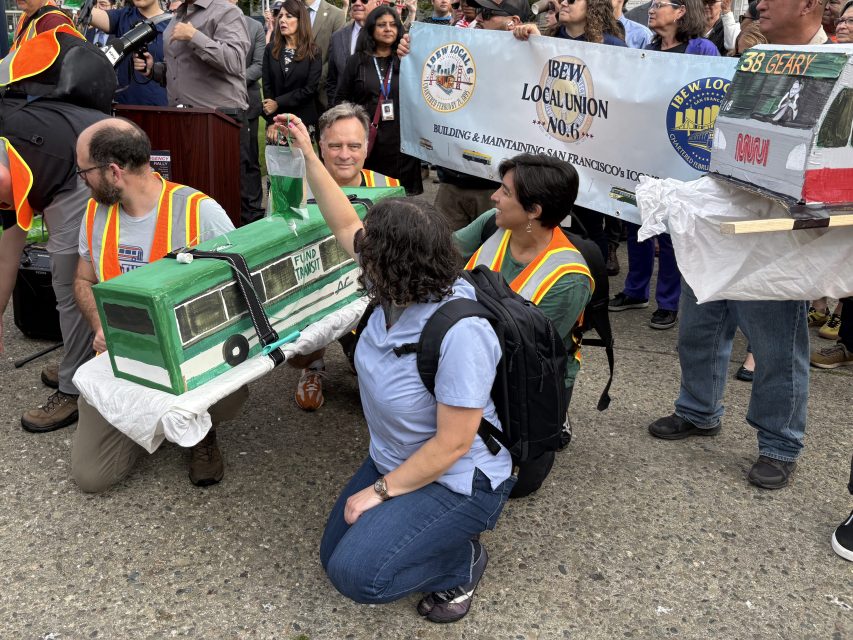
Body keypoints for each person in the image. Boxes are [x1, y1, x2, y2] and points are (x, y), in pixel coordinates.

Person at [278, 111, 515, 624]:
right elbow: (342, 219)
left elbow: (453, 443)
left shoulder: (460, 331)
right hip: (395, 456)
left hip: (458, 477)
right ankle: (420, 528)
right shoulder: (400, 280)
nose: (360, 257)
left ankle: (461, 560)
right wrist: (307, 152)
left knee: (359, 576)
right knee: (332, 557)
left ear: (390, 266)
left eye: (370, 256)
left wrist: (381, 491)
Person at [647, 0, 829, 490]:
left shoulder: (841, 72)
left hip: (776, 232)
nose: (758, 4)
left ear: (811, 5)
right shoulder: (753, 61)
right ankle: (698, 409)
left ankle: (779, 442)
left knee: (775, 343)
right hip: (721, 211)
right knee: (700, 325)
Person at [70, 118, 245, 491]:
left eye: (84, 171)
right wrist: (100, 325)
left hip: (192, 359)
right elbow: (83, 281)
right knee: (92, 476)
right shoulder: (93, 213)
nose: (81, 180)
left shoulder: (202, 212)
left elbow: (243, 291)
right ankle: (152, 420)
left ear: (114, 172)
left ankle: (198, 428)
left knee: (229, 396)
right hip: (125, 361)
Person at [452, 154, 593, 497]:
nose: (493, 197)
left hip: (529, 374)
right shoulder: (494, 223)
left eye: (505, 191)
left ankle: (557, 417)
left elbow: (519, 357)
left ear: (534, 211)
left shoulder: (569, 279)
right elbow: (439, 252)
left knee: (518, 484)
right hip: (483, 349)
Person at [608, 0, 718, 330]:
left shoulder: (703, 49)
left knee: (671, 227)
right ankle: (635, 290)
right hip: (643, 148)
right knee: (637, 219)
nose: (652, 10)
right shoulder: (649, 46)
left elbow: (709, 94)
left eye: (659, 5)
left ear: (681, 11)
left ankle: (668, 301)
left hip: (680, 150)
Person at [0, 99, 107, 433]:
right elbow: (10, 245)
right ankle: (82, 359)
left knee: (69, 282)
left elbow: (11, 229)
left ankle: (73, 386)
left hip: (77, 162)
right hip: (70, 139)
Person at [290, 102, 400, 412]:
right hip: (316, 287)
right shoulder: (293, 190)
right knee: (297, 349)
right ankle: (311, 367)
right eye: (335, 145)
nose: (344, 154)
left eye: (354, 145)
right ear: (320, 146)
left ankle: (362, 356)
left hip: (367, 291)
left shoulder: (389, 188)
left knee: (365, 368)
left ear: (367, 146)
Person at [335, 5, 423, 194]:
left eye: (393, 25)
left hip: (401, 143)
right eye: (382, 25)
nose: (388, 29)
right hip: (369, 141)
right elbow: (341, 100)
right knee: (371, 198)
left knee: (401, 200)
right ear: (371, 29)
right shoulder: (357, 61)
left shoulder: (407, 59)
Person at [134, 0, 249, 116]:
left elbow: (236, 61)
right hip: (180, 117)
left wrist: (193, 36)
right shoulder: (176, 17)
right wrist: (153, 70)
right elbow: (181, 69)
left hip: (220, 119)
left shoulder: (227, 11)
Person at [87, 0, 169, 106]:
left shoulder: (172, 23)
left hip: (158, 108)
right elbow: (88, 13)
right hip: (123, 106)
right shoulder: (124, 16)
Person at [262, 0, 322, 139]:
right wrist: (271, 121)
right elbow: (267, 87)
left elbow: (309, 89)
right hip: (276, 122)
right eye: (280, 15)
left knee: (301, 160)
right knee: (277, 160)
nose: (282, 20)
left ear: (301, 20)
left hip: (302, 120)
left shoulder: (313, 51)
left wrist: (278, 102)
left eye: (288, 16)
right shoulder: (270, 49)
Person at [233, 0, 266, 223]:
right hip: (216, 105)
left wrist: (231, 80)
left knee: (250, 159)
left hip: (247, 102)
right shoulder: (207, 26)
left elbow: (259, 65)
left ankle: (253, 211)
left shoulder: (255, 27)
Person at [325, 0, 381, 105]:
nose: (357, 3)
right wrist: (334, 107)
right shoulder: (337, 37)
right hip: (344, 113)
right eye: (354, 0)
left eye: (364, 0)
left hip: (376, 113)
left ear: (378, 3)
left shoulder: (387, 37)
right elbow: (332, 80)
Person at [512, 0, 628, 45]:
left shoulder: (612, 45)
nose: (563, 3)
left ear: (592, 6)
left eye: (571, 0)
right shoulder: (550, 39)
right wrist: (536, 41)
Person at [303, 0, 346, 109]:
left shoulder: (336, 14)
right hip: (293, 94)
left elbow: (336, 55)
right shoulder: (290, 12)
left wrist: (312, 82)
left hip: (323, 94)